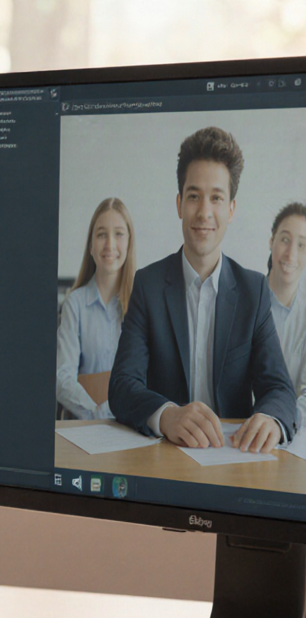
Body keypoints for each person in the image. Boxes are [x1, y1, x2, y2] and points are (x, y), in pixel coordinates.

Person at [110, 127, 296, 451]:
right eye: (194, 196)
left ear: (231, 209)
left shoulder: (253, 291)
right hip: (166, 453)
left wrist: (271, 419)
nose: (204, 212)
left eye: (216, 198)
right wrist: (166, 415)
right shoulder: (148, 285)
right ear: (179, 204)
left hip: (232, 454)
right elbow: (122, 385)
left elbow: (279, 388)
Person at [56, 198, 137, 420]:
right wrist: (97, 414)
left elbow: (147, 378)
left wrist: (113, 411)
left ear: (129, 243)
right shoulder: (74, 304)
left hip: (129, 426)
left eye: (118, 234)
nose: (110, 244)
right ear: (91, 246)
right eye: (101, 234)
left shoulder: (140, 304)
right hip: (83, 426)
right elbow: (62, 378)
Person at [264, 202, 306, 432]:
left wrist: (279, 424)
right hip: (235, 427)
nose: (291, 254)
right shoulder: (244, 304)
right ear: (272, 241)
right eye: (285, 240)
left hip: (288, 433)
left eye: (302, 245)